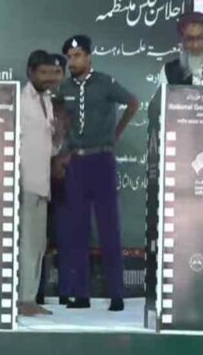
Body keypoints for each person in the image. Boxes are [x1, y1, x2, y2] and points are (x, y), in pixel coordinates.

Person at [58, 35, 139, 312]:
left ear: (89, 58)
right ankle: (81, 293)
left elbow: (133, 103)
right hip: (76, 163)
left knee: (109, 228)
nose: (72, 61)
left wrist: (116, 134)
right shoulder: (64, 88)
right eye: (69, 57)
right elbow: (62, 119)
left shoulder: (105, 83)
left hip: (102, 160)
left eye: (77, 56)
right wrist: (65, 147)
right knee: (78, 229)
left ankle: (117, 293)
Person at [18, 51, 58, 316]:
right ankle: (24, 299)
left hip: (43, 182)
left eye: (50, 72)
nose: (47, 78)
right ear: (30, 72)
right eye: (42, 72)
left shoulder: (47, 100)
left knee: (38, 245)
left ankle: (29, 298)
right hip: (26, 181)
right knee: (27, 245)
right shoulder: (21, 101)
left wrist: (59, 140)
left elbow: (48, 144)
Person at [36, 53, 71, 306]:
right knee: (38, 237)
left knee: (67, 236)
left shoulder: (72, 103)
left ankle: (67, 290)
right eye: (48, 72)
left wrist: (65, 161)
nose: (53, 78)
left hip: (67, 180)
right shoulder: (33, 102)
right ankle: (36, 291)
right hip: (38, 178)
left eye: (58, 73)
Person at [159, 11, 203, 86]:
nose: (195, 45)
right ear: (182, 40)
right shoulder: (168, 71)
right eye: (190, 39)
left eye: (200, 38)